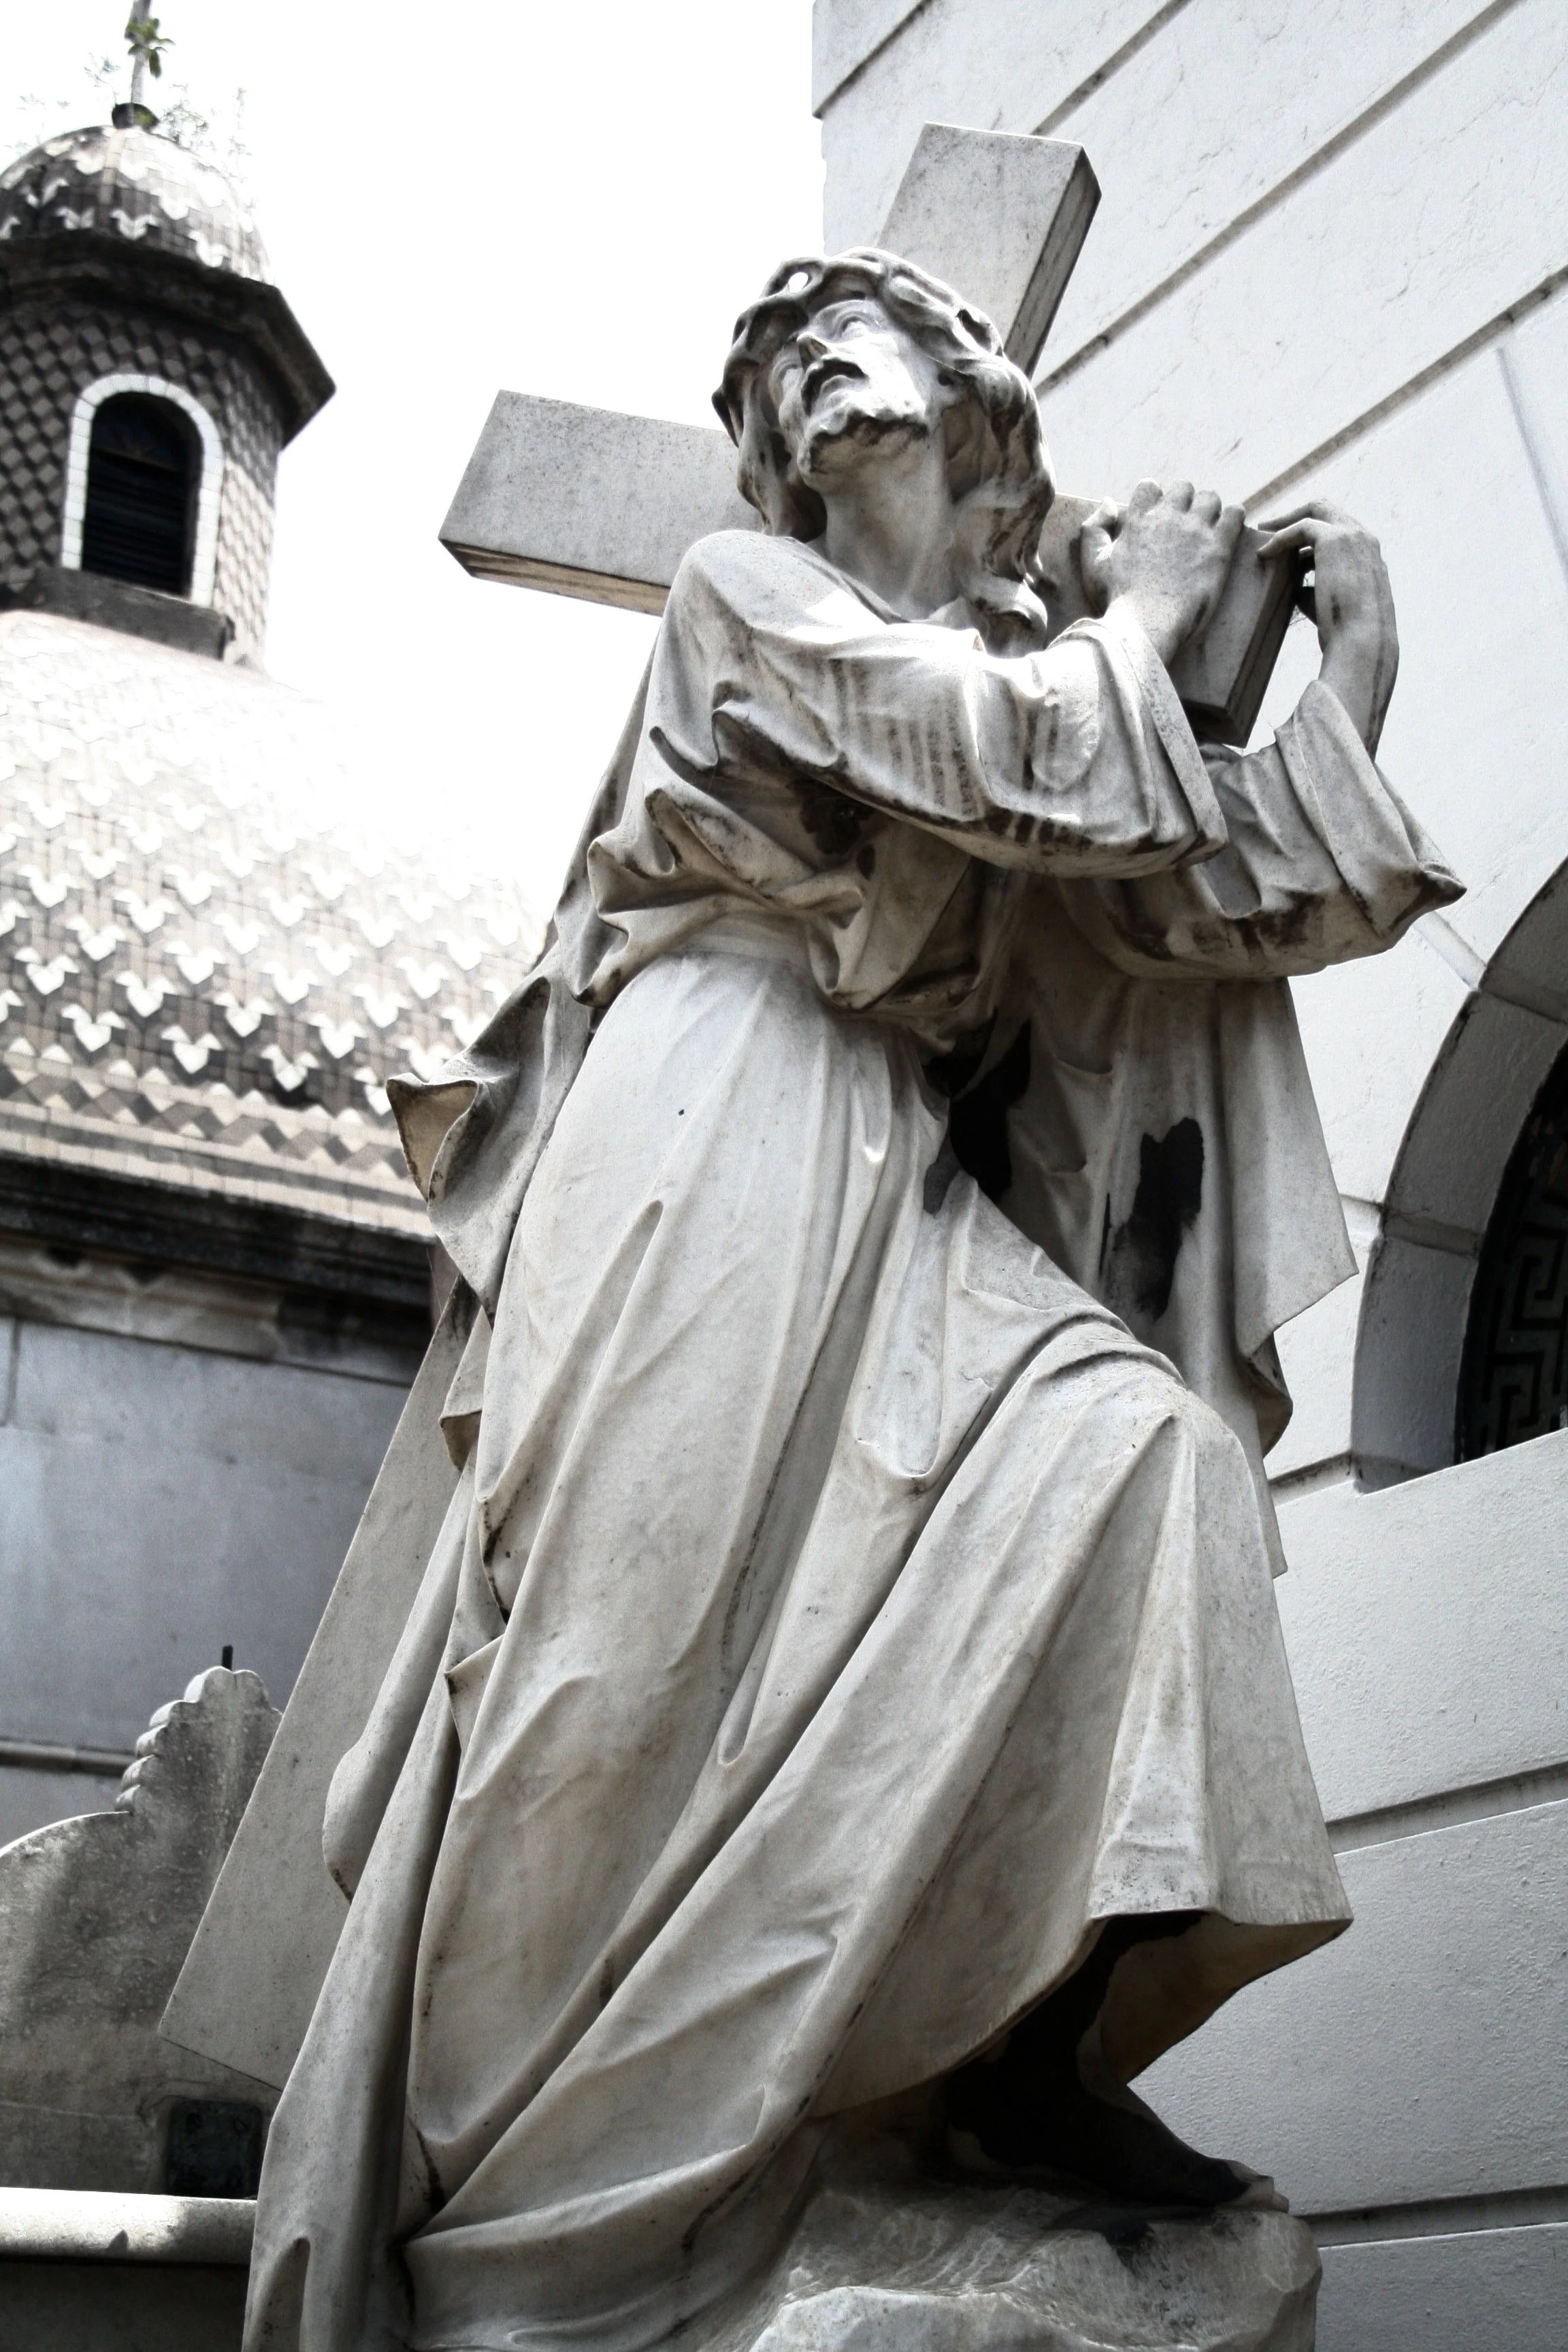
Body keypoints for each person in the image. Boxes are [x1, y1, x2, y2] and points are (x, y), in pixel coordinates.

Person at [242, 251, 1458, 2352]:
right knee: (620, 1653)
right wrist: (1151, 622)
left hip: (893, 1177)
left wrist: (1346, 675)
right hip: (704, 1107)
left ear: (972, 409)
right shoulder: (751, 600)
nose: (800, 363)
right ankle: (526, 2249)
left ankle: (1008, 2071)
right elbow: (1010, 762)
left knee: (1148, 1475)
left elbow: (1212, 898)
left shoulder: (1038, 661)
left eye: (852, 330)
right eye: (770, 356)